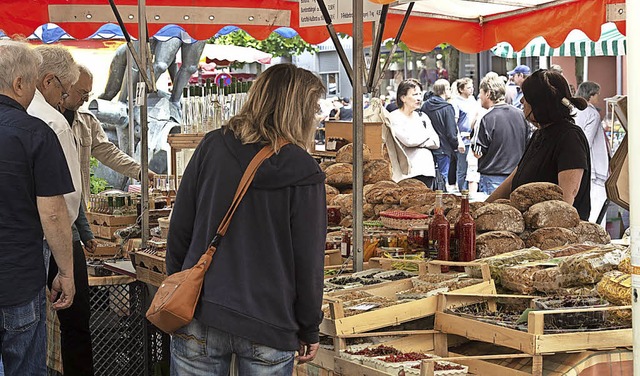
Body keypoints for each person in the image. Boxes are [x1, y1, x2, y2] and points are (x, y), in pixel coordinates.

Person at [166, 64, 326, 375]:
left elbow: (180, 229)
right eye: (314, 108)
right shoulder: (304, 170)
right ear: (300, 110)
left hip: (201, 309)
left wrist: (178, 285)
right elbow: (308, 261)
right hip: (270, 321)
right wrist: (309, 327)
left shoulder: (213, 146)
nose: (317, 116)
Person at [0, 39, 75, 376]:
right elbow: (54, 213)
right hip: (17, 281)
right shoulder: (36, 133)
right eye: (31, 85)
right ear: (19, 84)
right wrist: (67, 273)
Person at [27, 45, 95, 376]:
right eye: (66, 91)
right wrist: (66, 265)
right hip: (51, 241)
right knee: (71, 326)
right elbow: (64, 200)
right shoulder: (52, 122)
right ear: (49, 81)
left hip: (25, 242)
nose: (65, 99)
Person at [486, 69, 591, 220]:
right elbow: (513, 181)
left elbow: (567, 198)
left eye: (526, 97)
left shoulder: (570, 137)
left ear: (540, 104)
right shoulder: (539, 135)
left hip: (559, 235)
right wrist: (483, 207)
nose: (522, 101)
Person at [62, 64, 154, 206]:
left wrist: (140, 171)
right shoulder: (45, 119)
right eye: (82, 93)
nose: (86, 100)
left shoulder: (87, 120)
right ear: (67, 86)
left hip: (79, 204)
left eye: (88, 94)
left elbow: (108, 152)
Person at [472, 75, 529, 195]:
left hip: (492, 177)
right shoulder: (521, 115)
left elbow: (478, 152)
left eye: (481, 93)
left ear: (488, 93)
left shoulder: (487, 118)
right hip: (517, 175)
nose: (480, 97)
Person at [383, 79, 440, 186]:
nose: (418, 98)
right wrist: (426, 135)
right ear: (403, 97)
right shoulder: (394, 117)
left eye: (420, 94)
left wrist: (419, 141)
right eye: (414, 94)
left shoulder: (422, 117)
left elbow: (436, 142)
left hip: (427, 169)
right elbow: (409, 141)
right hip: (407, 172)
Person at [575, 81, 609, 224]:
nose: (598, 99)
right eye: (597, 95)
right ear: (590, 95)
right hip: (594, 166)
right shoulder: (592, 113)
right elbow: (586, 141)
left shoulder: (574, 111)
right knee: (596, 206)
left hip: (580, 164)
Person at [421, 79, 459, 191]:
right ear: (445, 90)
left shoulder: (425, 106)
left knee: (430, 179)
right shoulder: (447, 107)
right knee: (443, 179)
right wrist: (455, 146)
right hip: (444, 148)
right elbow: (451, 132)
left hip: (428, 147)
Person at [451, 77, 478, 191]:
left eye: (472, 87)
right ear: (461, 89)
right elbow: (454, 122)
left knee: (473, 169)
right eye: (468, 87)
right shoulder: (456, 102)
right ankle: (462, 191)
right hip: (463, 139)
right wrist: (459, 140)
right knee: (462, 168)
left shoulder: (473, 100)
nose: (471, 89)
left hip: (474, 139)